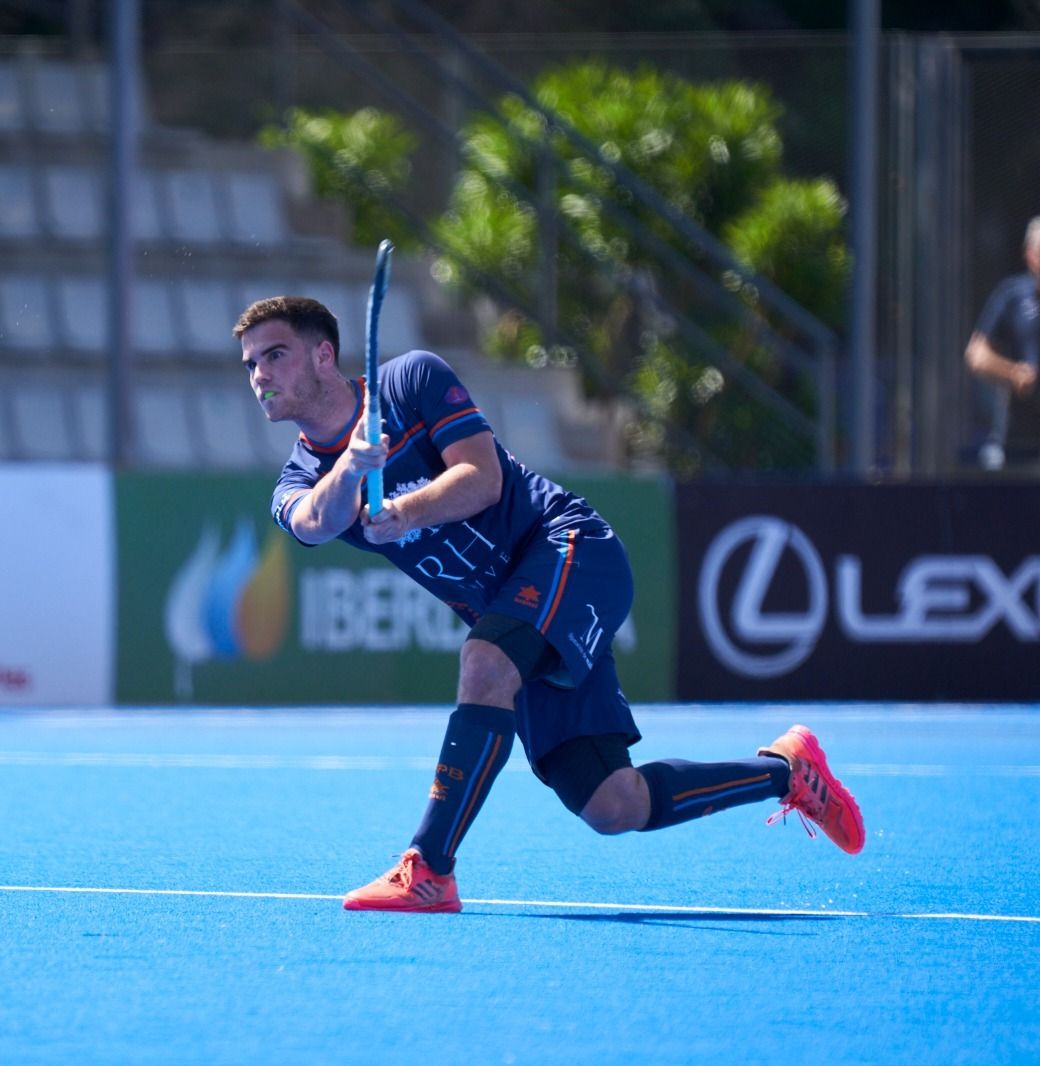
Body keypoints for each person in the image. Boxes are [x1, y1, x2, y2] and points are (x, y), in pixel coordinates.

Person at [233, 295, 865, 914]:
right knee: (613, 804)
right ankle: (787, 772)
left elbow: (483, 480)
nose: (260, 374)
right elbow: (314, 522)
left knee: (484, 663)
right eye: (251, 364)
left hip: (569, 549)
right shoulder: (299, 479)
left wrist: (402, 511)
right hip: (513, 615)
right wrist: (352, 466)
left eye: (275, 355)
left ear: (323, 355)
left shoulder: (412, 379)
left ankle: (428, 868)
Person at [965, 217, 1040, 470]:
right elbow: (976, 354)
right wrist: (1012, 372)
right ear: (1030, 254)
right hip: (1019, 440)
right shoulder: (1012, 295)